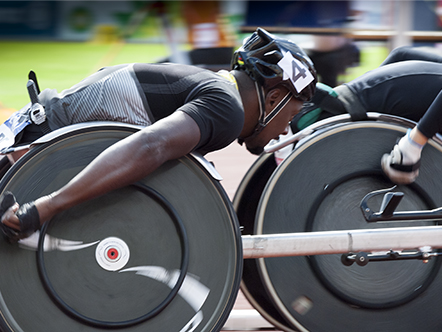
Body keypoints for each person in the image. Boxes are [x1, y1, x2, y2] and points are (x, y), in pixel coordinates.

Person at [0, 27, 317, 241]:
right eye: (291, 115)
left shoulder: (211, 89)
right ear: (273, 100)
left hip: (34, 138)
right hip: (31, 155)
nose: (286, 129)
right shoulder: (227, 109)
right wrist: (46, 208)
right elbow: (151, 145)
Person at [287, 46, 442, 184]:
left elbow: (400, 54)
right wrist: (413, 145)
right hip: (350, 116)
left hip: (349, 106)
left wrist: (363, 91)